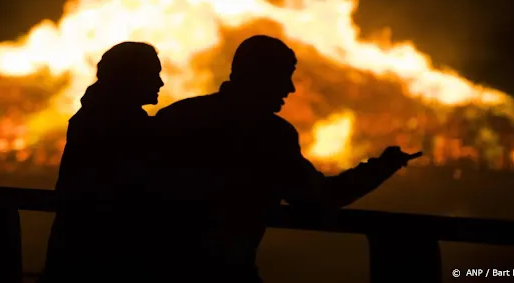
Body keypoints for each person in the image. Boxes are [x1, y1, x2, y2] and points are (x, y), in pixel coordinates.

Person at [154, 35, 422, 283]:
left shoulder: (176, 116)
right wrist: (382, 167)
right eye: (284, 76)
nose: (291, 88)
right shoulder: (270, 135)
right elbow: (319, 198)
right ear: (262, 78)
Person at [39, 41, 165, 283]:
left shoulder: (90, 118)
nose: (160, 83)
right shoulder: (125, 128)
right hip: (104, 260)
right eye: (153, 74)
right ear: (130, 78)